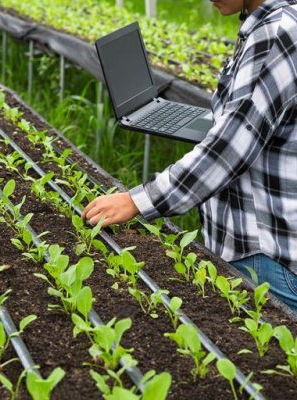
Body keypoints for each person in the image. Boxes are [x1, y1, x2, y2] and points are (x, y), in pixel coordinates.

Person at [83, 0, 297, 311]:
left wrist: (137, 201)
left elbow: (226, 152)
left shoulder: (274, 35)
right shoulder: (272, 19)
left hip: (265, 255)